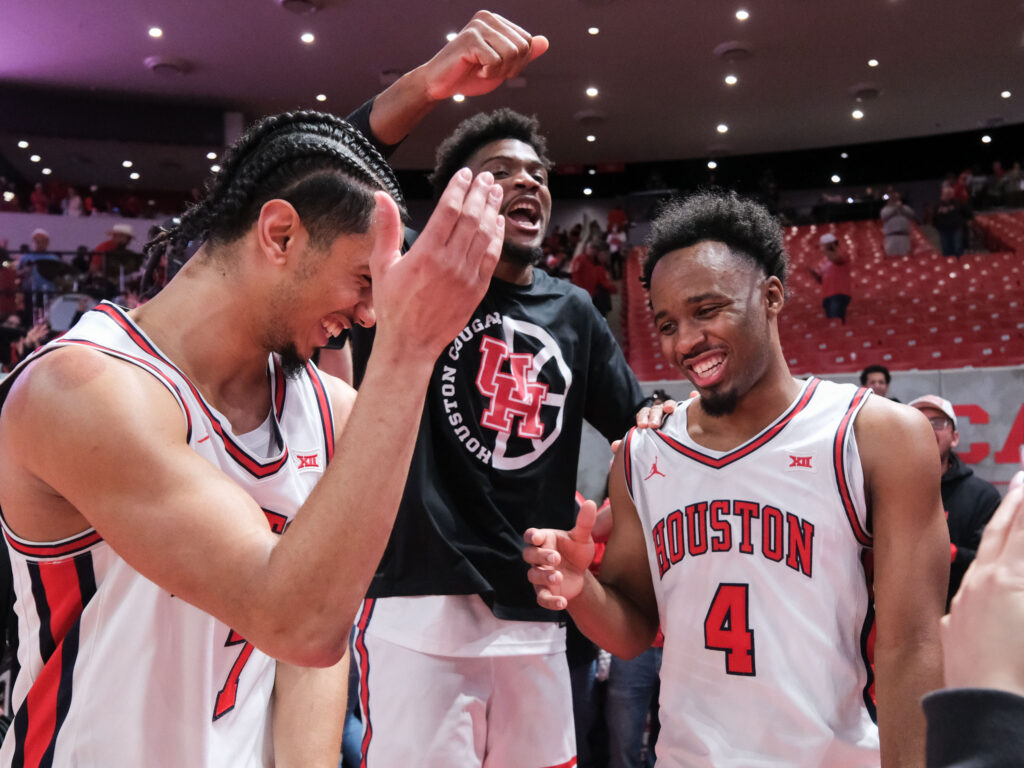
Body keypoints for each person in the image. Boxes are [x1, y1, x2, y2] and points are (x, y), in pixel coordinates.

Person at [0, 108, 504, 765]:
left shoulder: (329, 410)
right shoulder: (79, 389)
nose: (371, 312)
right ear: (279, 234)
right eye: (363, 280)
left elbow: (313, 654)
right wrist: (409, 352)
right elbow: (294, 618)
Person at [524, 190, 949, 767]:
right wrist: (580, 589)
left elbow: (911, 648)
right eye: (667, 323)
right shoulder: (644, 453)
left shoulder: (878, 436)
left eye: (706, 310)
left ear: (772, 295)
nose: (684, 343)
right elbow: (633, 631)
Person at [351, 107, 645, 766]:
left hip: (536, 607)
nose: (528, 182)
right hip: (418, 599)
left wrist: (608, 528)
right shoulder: (407, 281)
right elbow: (333, 166)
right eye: (501, 171)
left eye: (538, 174)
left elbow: (642, 428)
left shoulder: (573, 310)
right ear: (459, 193)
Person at [923, 473, 1024, 767]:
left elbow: (979, 552)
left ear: (955, 436)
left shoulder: (979, 494)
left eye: (942, 423)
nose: (933, 431)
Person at [909, 395, 1001, 608]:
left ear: (955, 437)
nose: (927, 429)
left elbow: (994, 563)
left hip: (963, 621)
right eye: (919, 423)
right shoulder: (885, 492)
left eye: (938, 423)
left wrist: (953, 554)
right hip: (902, 625)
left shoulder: (983, 496)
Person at [807, 232, 852, 323]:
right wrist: (813, 273)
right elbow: (821, 280)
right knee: (832, 322)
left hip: (839, 293)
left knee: (836, 321)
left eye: (824, 245)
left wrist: (827, 248)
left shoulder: (843, 255)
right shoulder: (824, 262)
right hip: (827, 295)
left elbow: (836, 259)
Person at [932, 185, 972, 258]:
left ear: (951, 195)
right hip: (943, 230)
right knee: (946, 250)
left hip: (956, 229)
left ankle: (959, 264)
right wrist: (938, 227)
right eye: (944, 194)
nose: (944, 195)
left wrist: (963, 223)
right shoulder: (937, 205)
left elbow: (968, 214)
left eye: (947, 194)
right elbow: (934, 218)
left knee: (958, 248)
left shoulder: (958, 203)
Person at [880, 191, 915, 257]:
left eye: (896, 198)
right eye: (892, 198)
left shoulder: (904, 208)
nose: (894, 199)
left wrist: (901, 207)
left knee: (905, 257)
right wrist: (895, 208)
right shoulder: (885, 209)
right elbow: (884, 216)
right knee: (892, 257)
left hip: (904, 236)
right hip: (891, 237)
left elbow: (911, 214)